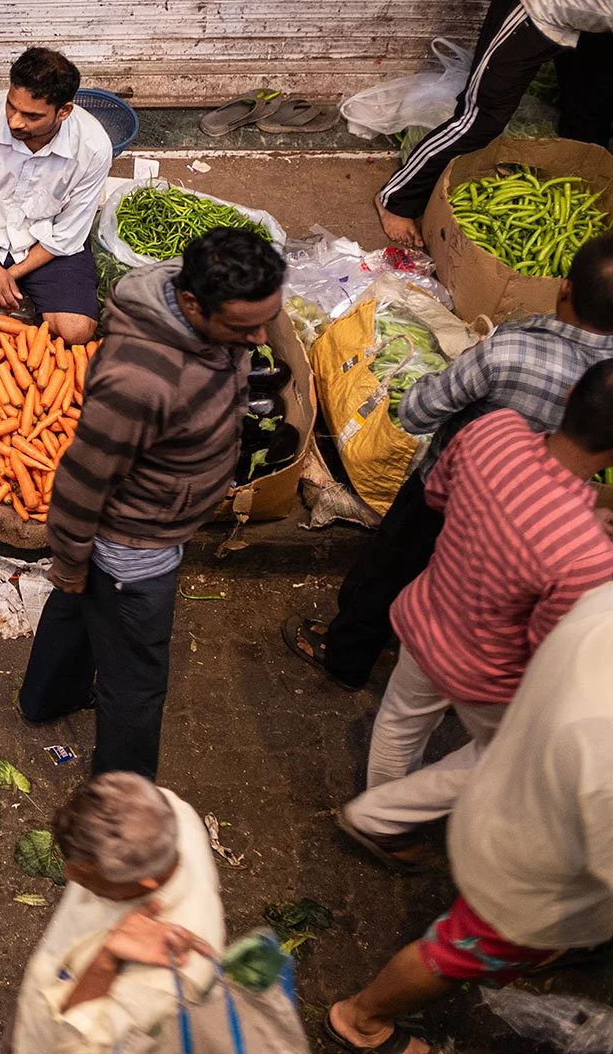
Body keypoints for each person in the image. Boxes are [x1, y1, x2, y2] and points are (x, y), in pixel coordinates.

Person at [285, 234, 613, 689]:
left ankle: (345, 656)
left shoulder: (509, 351)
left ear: (565, 289)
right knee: (468, 587)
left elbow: (417, 411)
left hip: (450, 489)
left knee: (389, 569)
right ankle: (420, 641)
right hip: (540, 517)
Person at [18, 227, 285, 778]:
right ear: (190, 303)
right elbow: (81, 478)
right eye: (243, 326)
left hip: (140, 531)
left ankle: (44, 699)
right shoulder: (140, 381)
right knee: (135, 684)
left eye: (266, 320)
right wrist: (69, 558)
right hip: (135, 546)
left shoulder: (197, 310)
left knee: (77, 611)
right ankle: (121, 803)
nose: (260, 339)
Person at [337, 366, 613, 870]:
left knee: (401, 718)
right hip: (486, 672)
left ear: (571, 393)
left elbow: (439, 494)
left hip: (426, 613)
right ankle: (380, 814)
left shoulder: (494, 430)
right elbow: (546, 647)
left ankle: (388, 819)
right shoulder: (586, 554)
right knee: (508, 755)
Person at [327, 580, 613, 1054]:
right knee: (459, 949)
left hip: (514, 786)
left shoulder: (601, 595)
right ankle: (360, 1019)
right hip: (536, 868)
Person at [376, 0, 613, 249]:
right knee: (480, 118)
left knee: (594, 107)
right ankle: (396, 198)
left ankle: (569, 182)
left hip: (595, 3)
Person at [12, 772, 226, 1053]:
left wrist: (106, 962)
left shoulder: (174, 977)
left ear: (145, 883)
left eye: (87, 876)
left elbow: (78, 1049)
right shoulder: (168, 813)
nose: (69, 875)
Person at [0, 47, 114, 346]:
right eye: (11, 106)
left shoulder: (93, 148)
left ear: (64, 111)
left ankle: (7, 308)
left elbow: (68, 233)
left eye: (32, 116)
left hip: (45, 244)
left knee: (76, 331)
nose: (16, 122)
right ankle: (9, 310)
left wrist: (7, 276)